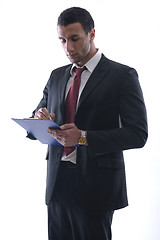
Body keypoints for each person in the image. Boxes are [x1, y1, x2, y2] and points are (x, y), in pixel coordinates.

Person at [27, 7, 148, 240]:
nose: (68, 48)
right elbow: (36, 117)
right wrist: (38, 118)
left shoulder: (122, 76)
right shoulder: (57, 75)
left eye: (74, 39)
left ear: (91, 34)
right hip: (57, 184)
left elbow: (137, 134)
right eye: (62, 40)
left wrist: (83, 137)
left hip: (96, 187)